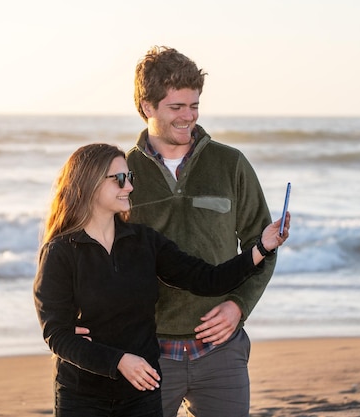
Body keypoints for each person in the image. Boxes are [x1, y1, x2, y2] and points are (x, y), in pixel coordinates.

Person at [33, 143, 289, 417]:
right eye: (119, 179)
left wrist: (261, 247)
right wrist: (118, 361)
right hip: (82, 396)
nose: (129, 187)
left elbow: (207, 280)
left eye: (130, 178)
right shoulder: (61, 252)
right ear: (90, 184)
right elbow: (56, 335)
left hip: (142, 394)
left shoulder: (144, 242)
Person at [126, 46, 279, 417]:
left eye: (194, 106)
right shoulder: (123, 171)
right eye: (176, 108)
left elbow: (263, 245)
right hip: (148, 354)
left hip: (220, 351)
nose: (188, 117)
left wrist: (238, 306)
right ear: (148, 107)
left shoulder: (230, 164)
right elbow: (98, 254)